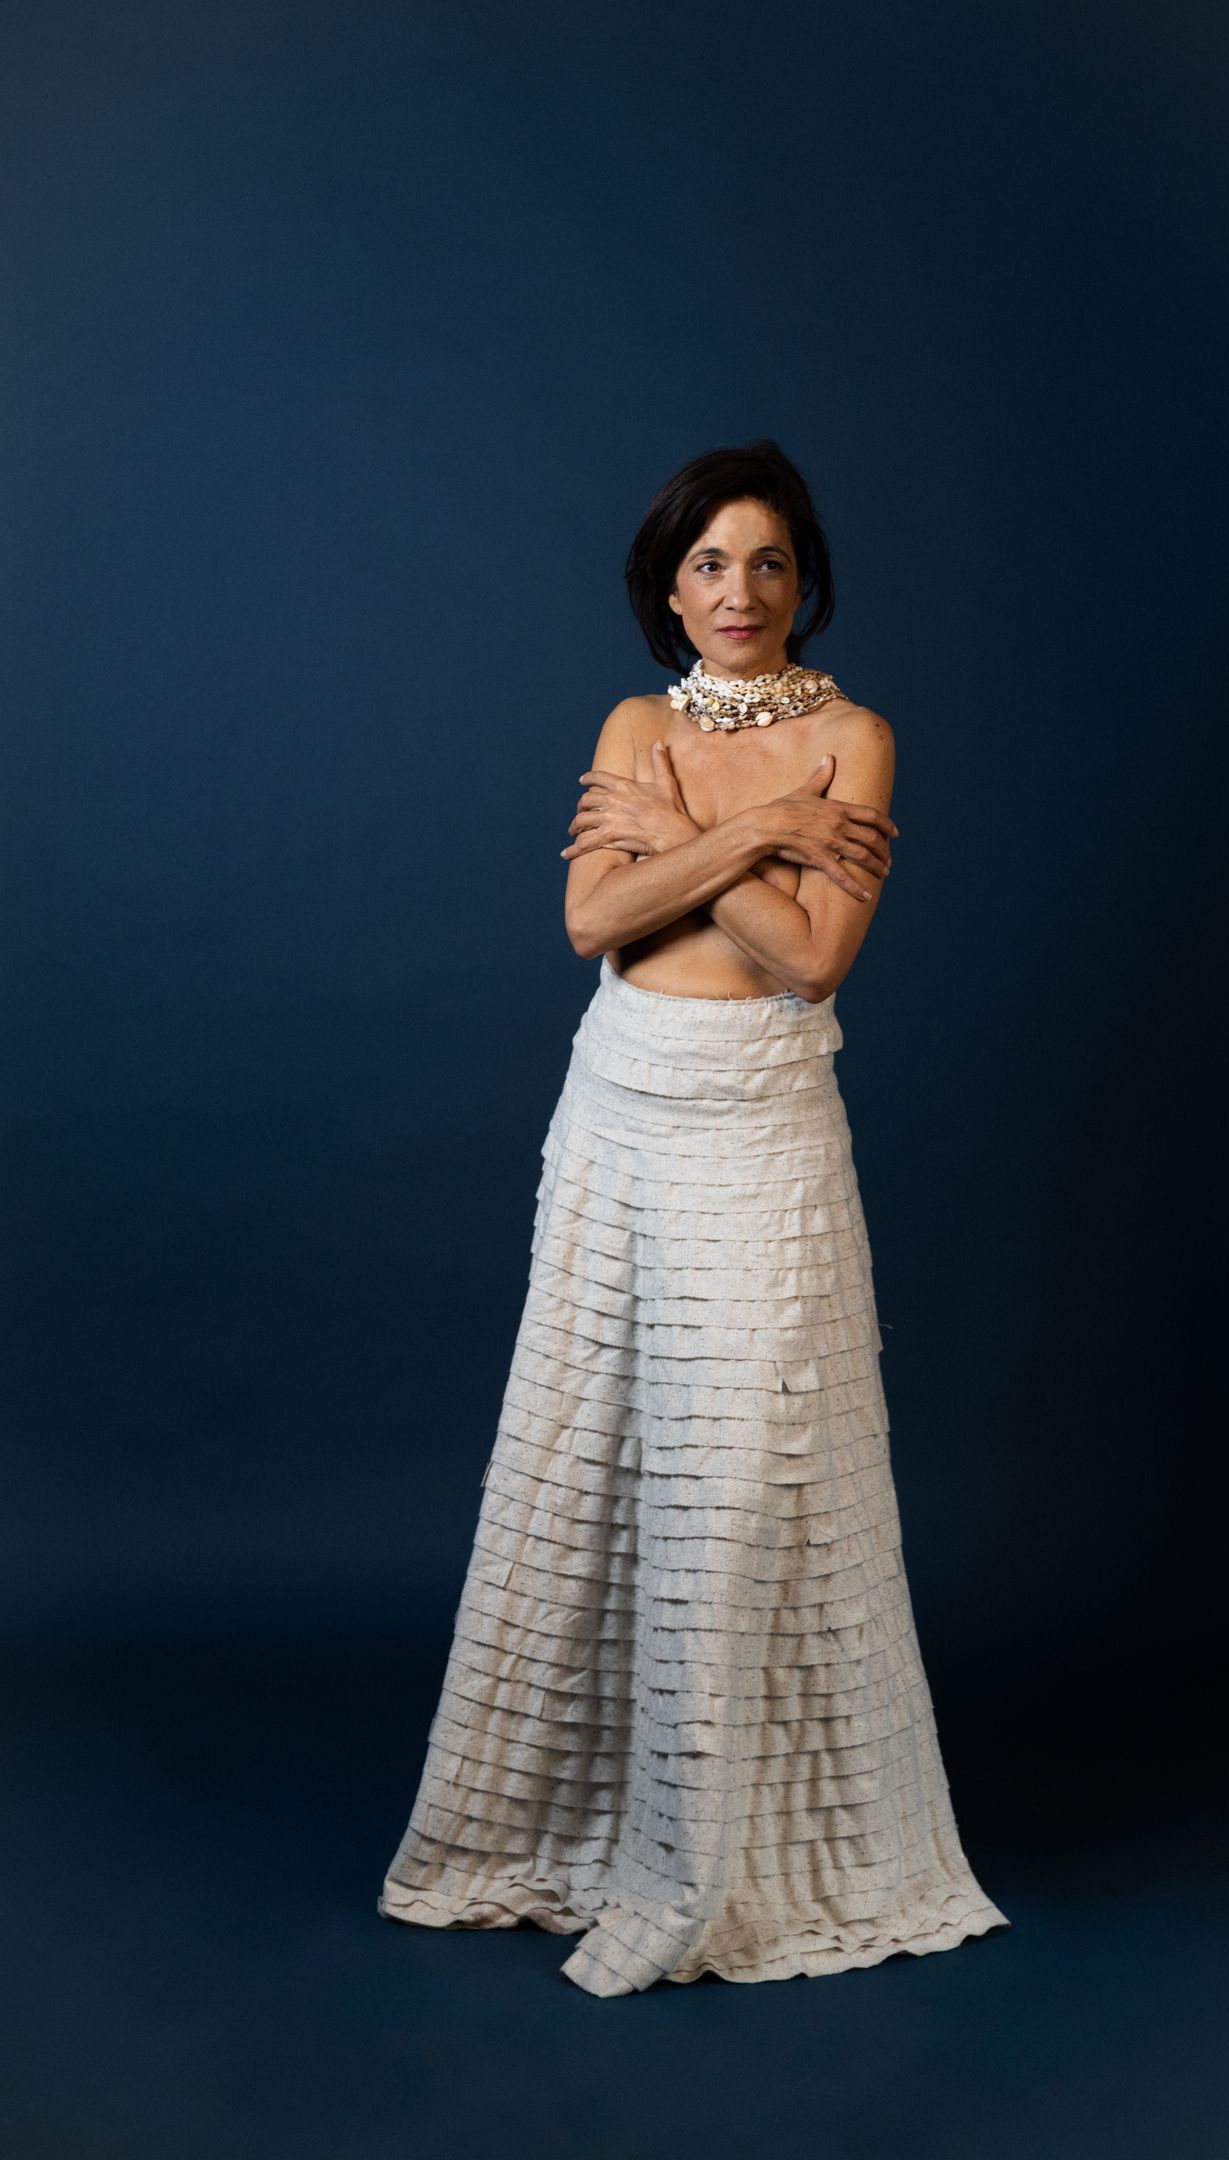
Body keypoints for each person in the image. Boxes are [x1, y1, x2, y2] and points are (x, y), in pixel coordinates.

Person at [376, 437, 1011, 1996]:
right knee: (586, 1458)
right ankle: (573, 1825)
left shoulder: (854, 739)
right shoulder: (632, 725)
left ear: (806, 584)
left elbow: (813, 959)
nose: (739, 591)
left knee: (740, 1480)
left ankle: (716, 1851)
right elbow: (591, 921)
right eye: (710, 564)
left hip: (762, 1123)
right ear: (669, 588)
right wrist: (751, 835)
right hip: (619, 1112)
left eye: (768, 563)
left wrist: (676, 836)